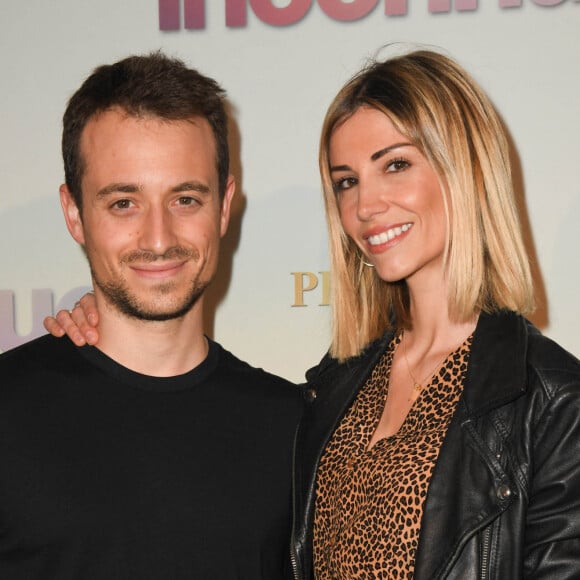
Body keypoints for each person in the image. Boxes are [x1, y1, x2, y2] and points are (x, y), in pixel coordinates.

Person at [46, 49, 580, 579]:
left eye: (395, 165)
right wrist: (114, 327)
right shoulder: (337, 385)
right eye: (347, 181)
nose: (365, 206)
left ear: (464, 168)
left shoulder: (550, 401)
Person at [0, 52, 302, 579]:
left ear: (224, 206)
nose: (158, 239)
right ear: (74, 213)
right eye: (123, 203)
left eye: (185, 199)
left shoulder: (297, 427)